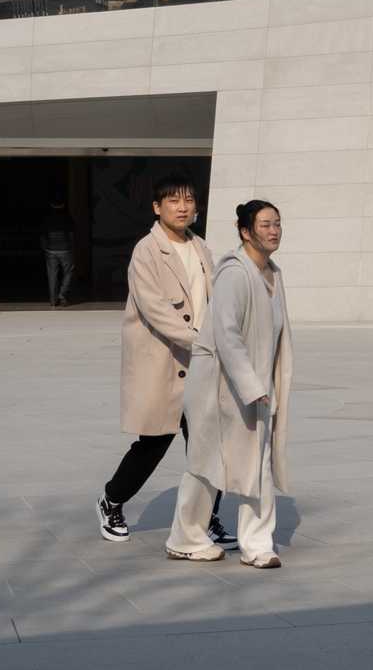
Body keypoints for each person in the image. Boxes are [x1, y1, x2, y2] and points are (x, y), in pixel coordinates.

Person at [96, 174, 233, 552]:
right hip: (165, 360)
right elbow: (155, 308)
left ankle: (206, 519)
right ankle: (111, 502)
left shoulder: (201, 246)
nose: (184, 207)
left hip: (203, 362)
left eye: (189, 200)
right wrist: (202, 342)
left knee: (208, 443)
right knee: (154, 442)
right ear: (157, 207)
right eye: (174, 201)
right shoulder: (146, 250)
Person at [168, 200, 293, 569]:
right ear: (245, 232)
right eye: (265, 224)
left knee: (258, 462)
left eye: (278, 223)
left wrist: (263, 384)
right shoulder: (235, 273)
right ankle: (185, 537)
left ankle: (257, 544)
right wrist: (253, 384)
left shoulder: (273, 272)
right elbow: (227, 334)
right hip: (218, 387)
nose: (274, 231)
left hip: (253, 388)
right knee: (206, 464)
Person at [39, 195, 78, 307]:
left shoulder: (46, 219)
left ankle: (53, 301)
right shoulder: (68, 218)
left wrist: (44, 247)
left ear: (52, 205)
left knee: (52, 276)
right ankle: (62, 291)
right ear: (63, 205)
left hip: (50, 249)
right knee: (68, 271)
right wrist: (72, 247)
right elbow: (71, 235)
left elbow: (42, 236)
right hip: (65, 249)